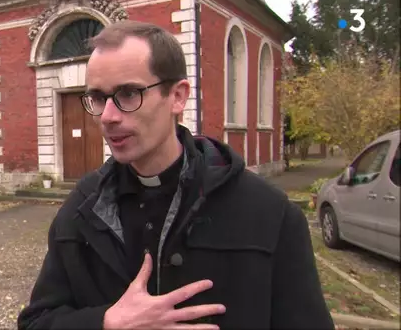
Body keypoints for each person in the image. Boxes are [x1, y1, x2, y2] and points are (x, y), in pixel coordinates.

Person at [17, 20, 334, 330]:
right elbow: (35, 321)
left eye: (128, 94)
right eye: (98, 98)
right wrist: (106, 323)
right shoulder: (82, 208)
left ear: (178, 97)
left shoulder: (270, 214)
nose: (108, 117)